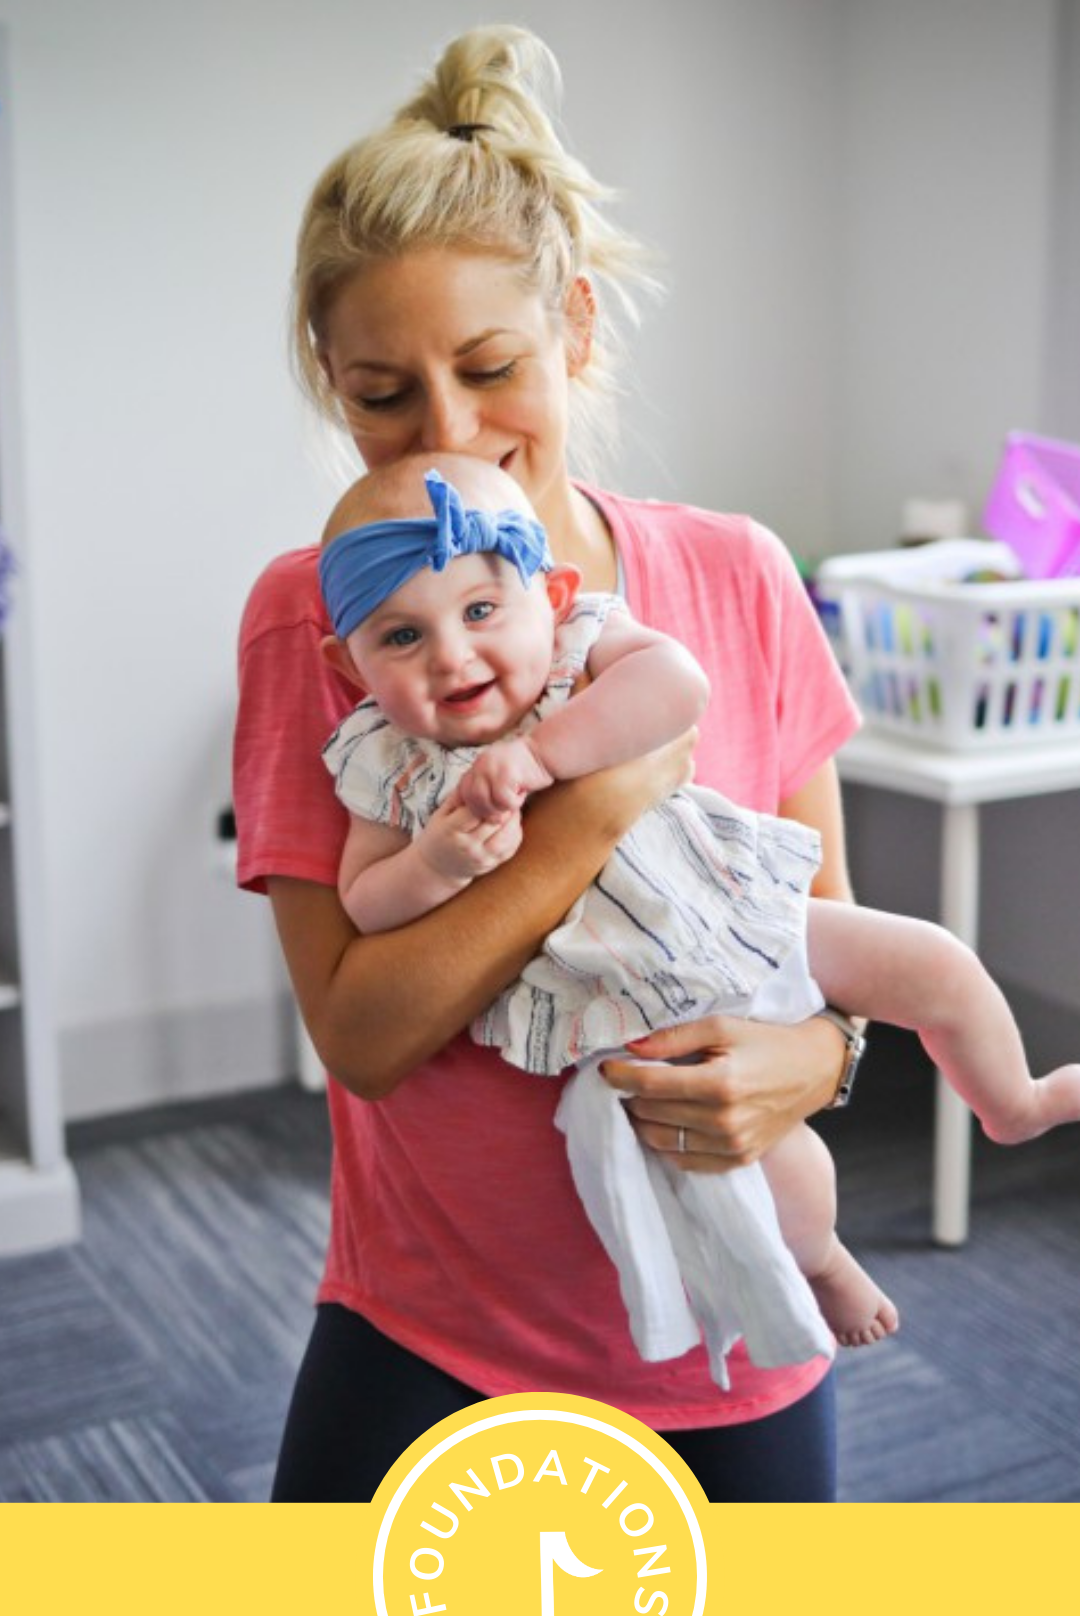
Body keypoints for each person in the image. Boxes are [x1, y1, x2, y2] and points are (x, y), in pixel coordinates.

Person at [235, 23, 871, 1503]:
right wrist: (590, 812)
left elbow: (823, 939)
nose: (449, 435)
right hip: (427, 1336)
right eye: (385, 394)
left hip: (735, 1339)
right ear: (337, 392)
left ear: (575, 329)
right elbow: (365, 1037)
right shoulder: (310, 621)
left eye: (492, 367)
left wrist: (821, 1057)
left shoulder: (741, 578)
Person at [316, 452, 1080, 1390]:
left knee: (933, 962)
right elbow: (363, 897)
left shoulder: (582, 647)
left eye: (481, 611)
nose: (451, 655)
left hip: (742, 908)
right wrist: (432, 863)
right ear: (343, 660)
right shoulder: (381, 762)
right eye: (399, 637)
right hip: (629, 1003)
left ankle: (1014, 1102)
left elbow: (677, 689)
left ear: (551, 595)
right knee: (761, 1171)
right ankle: (825, 1262)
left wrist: (544, 759)